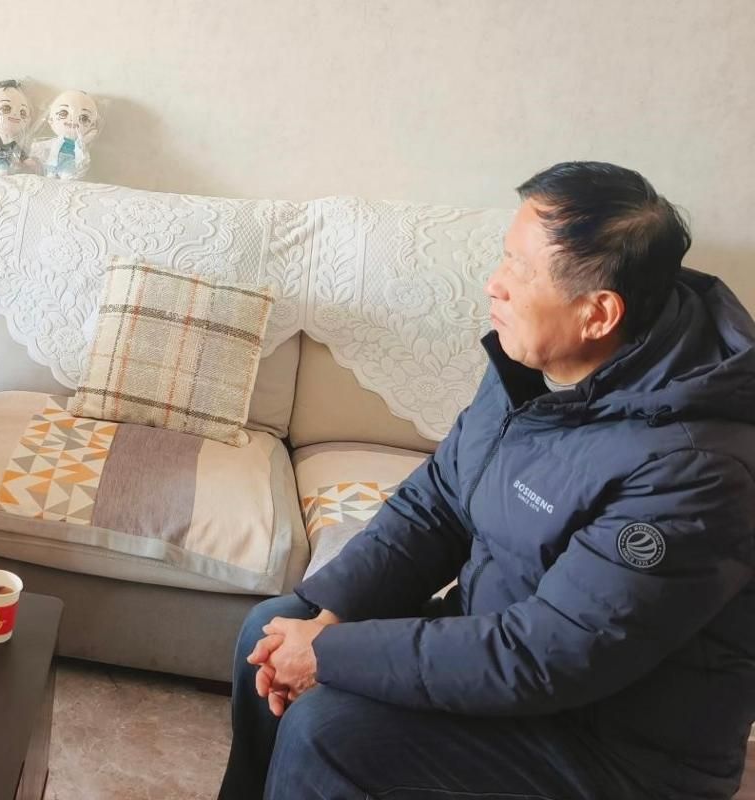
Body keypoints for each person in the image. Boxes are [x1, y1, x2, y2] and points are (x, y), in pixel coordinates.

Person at [219, 162, 755, 800]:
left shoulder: (695, 469)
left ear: (598, 313)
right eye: (505, 256)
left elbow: (549, 656)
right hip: (508, 651)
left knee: (328, 729)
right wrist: (331, 617)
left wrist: (329, 655)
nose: (494, 284)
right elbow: (438, 504)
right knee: (274, 626)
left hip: (613, 743)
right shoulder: (537, 367)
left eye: (520, 270)